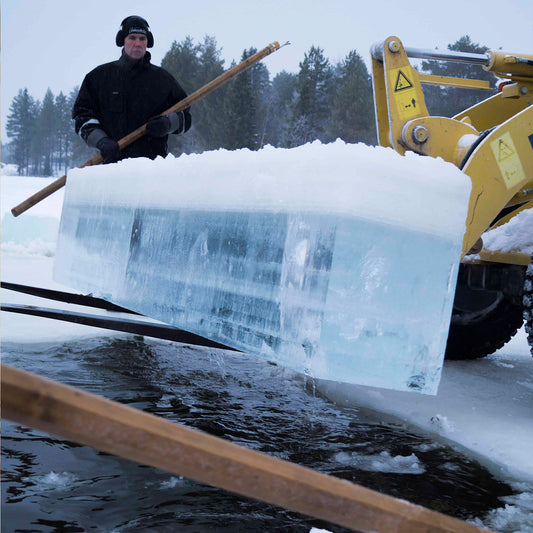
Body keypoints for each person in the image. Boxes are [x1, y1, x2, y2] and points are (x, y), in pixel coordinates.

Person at [73, 15, 191, 163]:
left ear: (148, 42)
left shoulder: (163, 79)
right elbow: (82, 118)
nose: (137, 43)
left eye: (142, 38)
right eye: (132, 38)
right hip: (112, 168)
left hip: (153, 169)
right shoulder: (98, 78)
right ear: (122, 40)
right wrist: (102, 141)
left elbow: (185, 117)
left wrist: (167, 124)